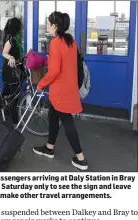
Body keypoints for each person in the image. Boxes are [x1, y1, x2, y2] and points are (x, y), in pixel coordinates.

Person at [34, 11, 88, 170]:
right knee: (52, 117)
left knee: (67, 121)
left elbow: (54, 71)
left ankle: (81, 159)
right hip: (69, 89)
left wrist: (41, 84)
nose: (47, 26)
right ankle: (49, 148)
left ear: (55, 26)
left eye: (48, 23)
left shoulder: (56, 43)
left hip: (60, 92)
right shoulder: (71, 41)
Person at [1, 17, 23, 125]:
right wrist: (11, 57)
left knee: (7, 92)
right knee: (14, 96)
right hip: (11, 70)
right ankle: (14, 122)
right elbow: (4, 53)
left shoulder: (14, 37)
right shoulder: (11, 38)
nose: (21, 29)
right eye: (20, 26)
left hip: (11, 69)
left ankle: (5, 112)